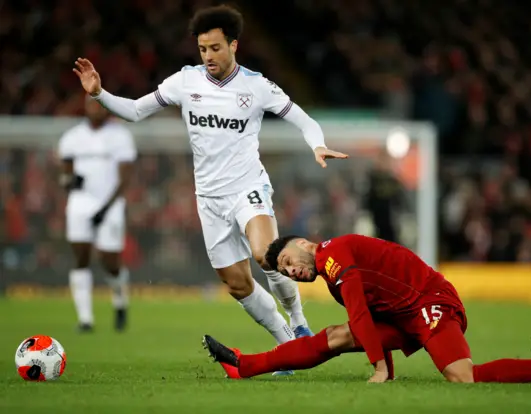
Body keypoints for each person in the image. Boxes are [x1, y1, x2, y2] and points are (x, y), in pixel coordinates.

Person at [72, 5, 348, 372]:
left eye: (215, 48)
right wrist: (99, 94)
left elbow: (303, 119)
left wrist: (317, 144)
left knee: (266, 254)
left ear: (234, 45)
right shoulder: (184, 82)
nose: (208, 56)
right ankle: (287, 343)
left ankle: (298, 320)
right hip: (209, 198)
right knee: (236, 284)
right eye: (203, 49)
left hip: (248, 186)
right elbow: (136, 111)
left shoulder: (256, 85)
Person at [202, 234, 531, 385]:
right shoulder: (330, 272)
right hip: (404, 315)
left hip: (431, 304)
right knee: (338, 336)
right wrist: (386, 365)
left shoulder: (335, 254)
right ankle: (245, 364)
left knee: (462, 377)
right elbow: (369, 319)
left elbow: (362, 312)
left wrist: (380, 367)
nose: (291, 271)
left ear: (305, 243)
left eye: (288, 260)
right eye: (285, 272)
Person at [57, 96, 136, 332]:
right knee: (80, 258)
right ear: (85, 107)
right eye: (92, 105)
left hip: (110, 204)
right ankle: (85, 319)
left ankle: (120, 303)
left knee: (109, 261)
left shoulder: (120, 136)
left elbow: (125, 179)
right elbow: (65, 177)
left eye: (101, 105)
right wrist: (70, 182)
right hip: (80, 203)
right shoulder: (72, 138)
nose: (96, 110)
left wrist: (105, 209)